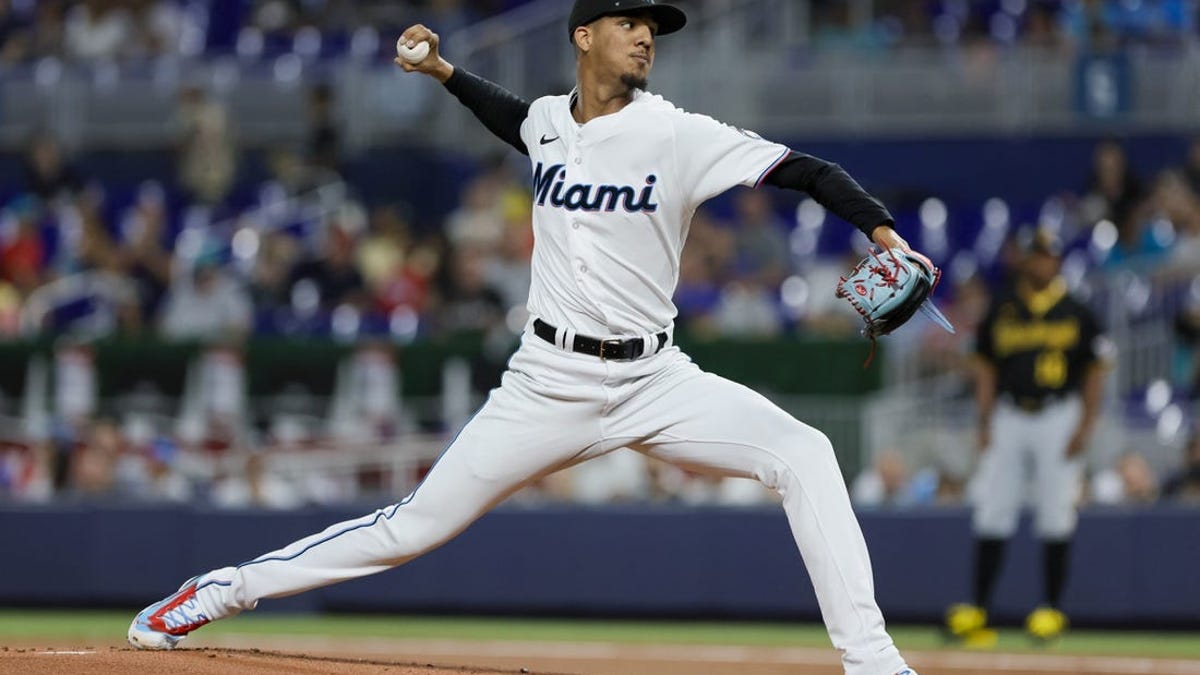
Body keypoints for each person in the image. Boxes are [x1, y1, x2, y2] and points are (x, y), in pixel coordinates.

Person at [128, 3, 925, 673]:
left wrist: (885, 236)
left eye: (654, 27)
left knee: (807, 453)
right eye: (629, 22)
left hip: (657, 378)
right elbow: (515, 119)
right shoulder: (549, 121)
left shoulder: (678, 133)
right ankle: (220, 589)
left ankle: (873, 659)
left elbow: (807, 170)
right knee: (410, 527)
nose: (647, 36)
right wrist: (444, 74)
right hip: (546, 381)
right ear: (583, 36)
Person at [946, 229, 1114, 645]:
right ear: (1025, 260)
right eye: (1036, 256)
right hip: (1009, 414)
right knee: (992, 508)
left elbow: (1094, 373)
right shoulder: (1003, 306)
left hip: (1059, 414)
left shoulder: (1077, 310)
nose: (1042, 263)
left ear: (1057, 262)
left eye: (1048, 257)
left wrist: (1085, 426)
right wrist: (984, 421)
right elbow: (985, 367)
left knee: (1056, 512)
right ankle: (978, 610)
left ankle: (1051, 610)